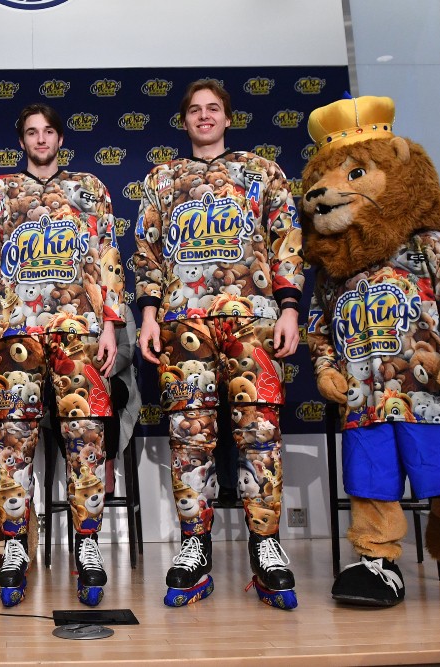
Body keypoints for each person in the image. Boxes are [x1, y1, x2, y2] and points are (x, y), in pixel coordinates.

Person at [134, 79, 304, 608]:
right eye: (195, 110)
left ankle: (266, 544)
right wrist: (148, 317)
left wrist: (290, 308)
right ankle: (194, 545)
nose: (204, 116)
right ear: (184, 120)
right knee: (190, 436)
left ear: (227, 117)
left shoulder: (262, 171)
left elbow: (287, 242)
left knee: (259, 433)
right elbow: (146, 253)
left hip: (253, 320)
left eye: (213, 109)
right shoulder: (161, 178)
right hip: (182, 324)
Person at [0, 103, 125, 607]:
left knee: (86, 438)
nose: (41, 139)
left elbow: (108, 257)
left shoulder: (90, 188)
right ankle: (15, 544)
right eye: (32, 132)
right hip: (16, 333)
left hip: (79, 332)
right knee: (12, 441)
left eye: (48, 132)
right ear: (22, 141)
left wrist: (110, 325)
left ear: (60, 138)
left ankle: (88, 545)